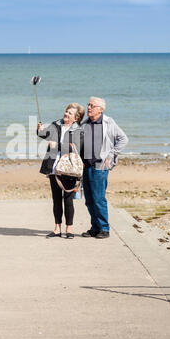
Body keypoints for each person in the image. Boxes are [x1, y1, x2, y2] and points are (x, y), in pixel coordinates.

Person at [81, 97, 128, 239]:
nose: (89, 107)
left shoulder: (108, 122)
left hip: (100, 166)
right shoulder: (84, 124)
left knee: (98, 198)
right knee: (89, 200)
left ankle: (104, 228)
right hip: (86, 166)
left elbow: (123, 139)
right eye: (88, 105)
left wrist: (112, 155)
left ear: (100, 109)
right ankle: (95, 228)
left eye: (92, 105)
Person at [37, 103, 85, 239]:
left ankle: (69, 229)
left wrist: (57, 146)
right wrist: (40, 130)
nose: (66, 114)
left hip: (69, 169)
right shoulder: (56, 124)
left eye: (70, 113)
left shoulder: (79, 130)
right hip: (53, 167)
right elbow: (44, 135)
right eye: (66, 111)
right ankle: (57, 228)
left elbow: (75, 147)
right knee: (56, 199)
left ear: (76, 118)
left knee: (68, 200)